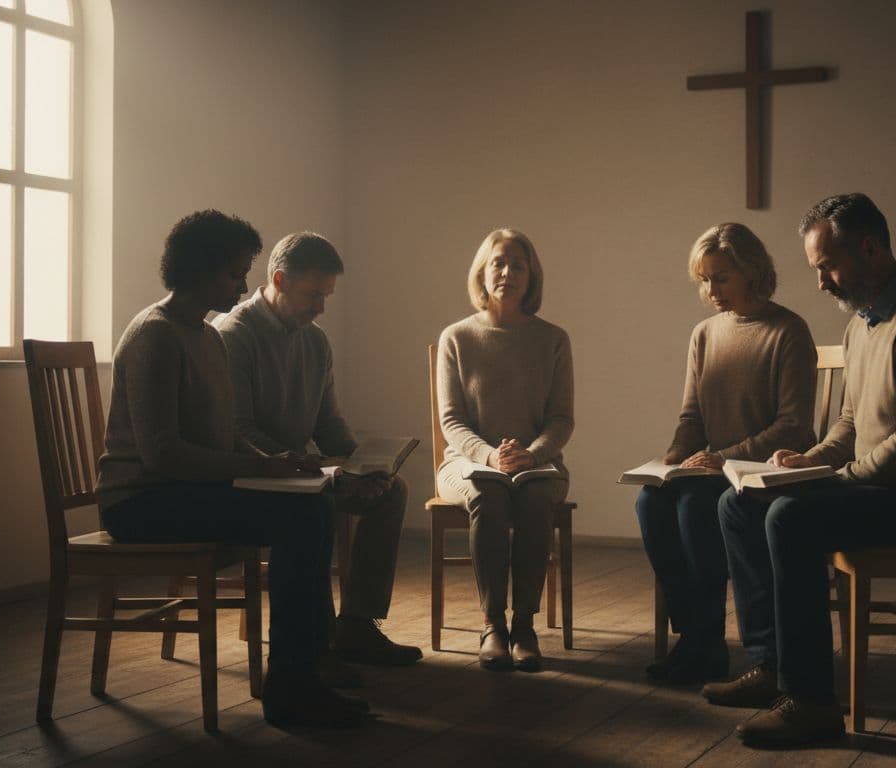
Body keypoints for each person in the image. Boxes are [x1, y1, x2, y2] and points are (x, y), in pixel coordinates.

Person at [701, 193, 896, 746]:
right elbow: (851, 422)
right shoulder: (865, 321)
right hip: (890, 490)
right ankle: (769, 669)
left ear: (870, 248)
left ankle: (810, 702)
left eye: (827, 265)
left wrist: (828, 484)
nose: (820, 282)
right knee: (738, 502)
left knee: (791, 517)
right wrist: (805, 464)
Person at [94, 210, 366, 728]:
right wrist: (260, 467)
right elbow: (162, 455)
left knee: (311, 504)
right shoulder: (155, 334)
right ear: (196, 269)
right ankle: (292, 685)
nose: (244, 285)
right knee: (302, 519)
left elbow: (222, 439)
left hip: (181, 491)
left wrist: (277, 467)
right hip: (139, 503)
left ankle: (305, 671)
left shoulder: (206, 337)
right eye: (234, 273)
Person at [217, 232, 422, 668]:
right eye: (313, 294)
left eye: (326, 296)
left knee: (393, 491)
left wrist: (365, 467)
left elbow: (328, 424)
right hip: (256, 476)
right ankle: (315, 637)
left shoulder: (315, 341)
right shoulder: (233, 335)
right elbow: (237, 430)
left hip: (303, 471)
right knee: (318, 502)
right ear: (278, 280)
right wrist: (315, 469)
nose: (320, 308)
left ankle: (356, 625)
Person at [637, 223, 816, 685]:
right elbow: (691, 415)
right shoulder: (705, 333)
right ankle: (694, 635)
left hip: (762, 472)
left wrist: (723, 458)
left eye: (720, 277)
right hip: (713, 468)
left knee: (699, 505)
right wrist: (672, 461)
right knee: (650, 502)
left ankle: (708, 646)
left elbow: (793, 427)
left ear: (751, 270)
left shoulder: (788, 330)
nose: (710, 290)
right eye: (704, 280)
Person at [435, 228, 573, 672]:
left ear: (531, 276)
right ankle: (493, 624)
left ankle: (525, 626)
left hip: (537, 463)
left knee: (534, 499)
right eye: (498, 262)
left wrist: (531, 455)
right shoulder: (456, 337)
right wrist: (490, 457)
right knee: (488, 497)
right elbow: (451, 420)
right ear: (482, 270)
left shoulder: (553, 339)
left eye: (518, 264)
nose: (507, 272)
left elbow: (561, 419)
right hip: (468, 461)